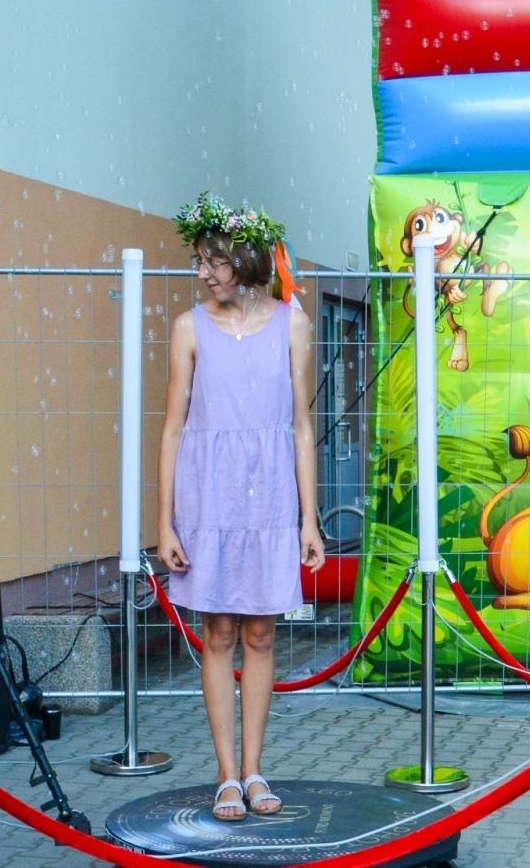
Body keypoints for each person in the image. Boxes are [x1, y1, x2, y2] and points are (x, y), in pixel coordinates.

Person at [155, 193, 326, 822]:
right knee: (218, 632)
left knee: (260, 632)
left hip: (272, 496)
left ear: (245, 261)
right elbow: (172, 428)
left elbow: (301, 427)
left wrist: (309, 519)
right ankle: (226, 775)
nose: (204, 273)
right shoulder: (188, 328)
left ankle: (256, 770)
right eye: (200, 261)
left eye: (214, 262)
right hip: (210, 496)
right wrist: (164, 521)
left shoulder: (293, 323)